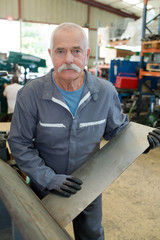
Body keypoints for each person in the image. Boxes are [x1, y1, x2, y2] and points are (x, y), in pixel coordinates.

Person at [8, 22, 160, 240]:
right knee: (40, 234)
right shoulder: (31, 94)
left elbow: (118, 131)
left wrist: (143, 142)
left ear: (86, 54)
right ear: (51, 54)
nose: (69, 59)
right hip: (43, 185)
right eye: (61, 51)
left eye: (76, 51)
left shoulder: (105, 92)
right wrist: (47, 178)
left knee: (91, 234)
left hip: (88, 185)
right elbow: (20, 143)